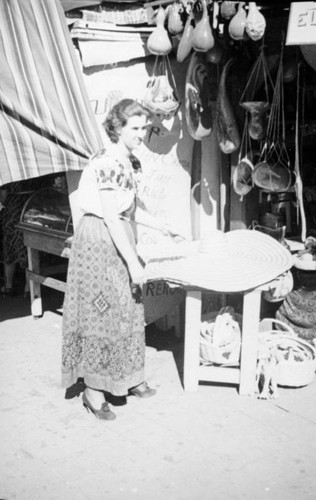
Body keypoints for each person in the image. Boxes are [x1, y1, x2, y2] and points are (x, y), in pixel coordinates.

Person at [62, 99, 170, 420]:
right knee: (102, 310)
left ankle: (129, 377)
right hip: (99, 240)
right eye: (134, 128)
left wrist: (164, 226)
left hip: (120, 235)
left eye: (144, 128)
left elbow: (129, 210)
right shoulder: (107, 161)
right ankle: (93, 392)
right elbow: (110, 216)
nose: (141, 134)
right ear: (118, 128)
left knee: (128, 306)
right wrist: (134, 263)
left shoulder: (129, 161)